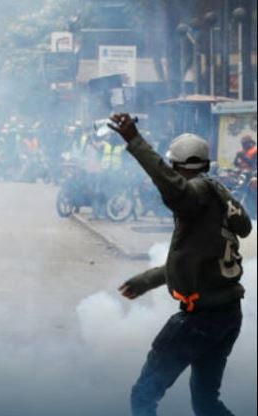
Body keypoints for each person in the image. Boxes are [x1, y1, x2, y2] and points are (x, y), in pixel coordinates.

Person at [110, 114, 252, 416]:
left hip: (200, 320)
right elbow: (194, 262)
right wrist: (147, 280)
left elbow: (174, 189)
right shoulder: (220, 200)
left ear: (179, 168)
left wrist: (135, 141)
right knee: (205, 402)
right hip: (228, 315)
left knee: (143, 396)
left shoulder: (196, 196)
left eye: (173, 168)